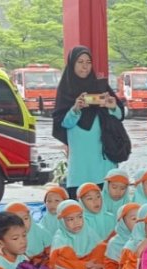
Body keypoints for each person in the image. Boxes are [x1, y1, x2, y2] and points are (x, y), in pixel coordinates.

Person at [52, 46, 125, 199]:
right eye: (80, 62)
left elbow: (119, 115)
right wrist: (75, 109)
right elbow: (62, 124)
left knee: (106, 203)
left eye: (88, 62)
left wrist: (112, 107)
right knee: (80, 205)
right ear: (72, 64)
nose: (85, 66)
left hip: (103, 158)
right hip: (81, 161)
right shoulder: (66, 90)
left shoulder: (101, 86)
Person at [48, 200, 106, 269]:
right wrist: (83, 266)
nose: (77, 222)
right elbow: (55, 263)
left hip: (90, 267)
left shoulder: (88, 231)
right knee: (66, 252)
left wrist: (99, 266)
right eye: (70, 219)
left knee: (102, 247)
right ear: (62, 221)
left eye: (79, 217)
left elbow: (101, 252)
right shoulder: (60, 237)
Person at [104, 203, 139, 269]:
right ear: (122, 222)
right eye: (133, 219)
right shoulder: (114, 243)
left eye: (140, 218)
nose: (138, 222)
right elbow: (110, 267)